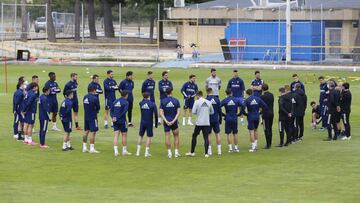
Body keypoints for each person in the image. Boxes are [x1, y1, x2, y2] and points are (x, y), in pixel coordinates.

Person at [186, 91, 214, 158]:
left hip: (199, 122)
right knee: (206, 137)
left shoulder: (196, 102)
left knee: (194, 136)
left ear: (198, 96)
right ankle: (206, 153)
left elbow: (193, 111)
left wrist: (199, 113)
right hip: (206, 122)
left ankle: (192, 152)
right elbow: (212, 112)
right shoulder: (208, 102)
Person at [220, 89, 245, 153]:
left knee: (228, 133)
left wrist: (223, 114)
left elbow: (218, 107)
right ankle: (236, 148)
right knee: (235, 133)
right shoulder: (236, 100)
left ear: (226, 94)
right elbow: (243, 106)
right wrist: (240, 113)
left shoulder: (225, 100)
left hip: (228, 117)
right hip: (234, 117)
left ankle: (230, 148)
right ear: (231, 93)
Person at [159, 88, 181, 158]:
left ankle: (169, 153)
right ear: (171, 92)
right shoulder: (176, 100)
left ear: (166, 93)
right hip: (174, 122)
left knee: (167, 137)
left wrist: (166, 121)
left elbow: (161, 113)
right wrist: (174, 121)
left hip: (166, 121)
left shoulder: (163, 101)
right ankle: (176, 153)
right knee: (176, 136)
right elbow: (178, 113)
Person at [136, 92, 158, 157]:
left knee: (140, 136)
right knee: (149, 137)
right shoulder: (152, 104)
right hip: (149, 122)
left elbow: (142, 101)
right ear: (149, 97)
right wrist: (156, 124)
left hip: (142, 122)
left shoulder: (141, 103)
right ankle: (146, 152)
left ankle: (138, 152)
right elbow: (156, 115)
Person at [111, 91, 132, 156]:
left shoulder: (115, 101)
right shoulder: (126, 102)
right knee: (124, 135)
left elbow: (111, 110)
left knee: (116, 135)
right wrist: (118, 117)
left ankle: (116, 151)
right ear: (126, 95)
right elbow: (124, 111)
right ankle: (124, 151)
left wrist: (113, 117)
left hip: (115, 121)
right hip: (122, 121)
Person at [83, 86, 101, 153]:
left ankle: (84, 147)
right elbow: (98, 107)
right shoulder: (95, 98)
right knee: (93, 132)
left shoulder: (85, 97)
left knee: (86, 131)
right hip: (93, 117)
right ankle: (92, 148)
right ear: (93, 90)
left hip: (86, 116)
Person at [206, 88, 222, 155]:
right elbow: (219, 110)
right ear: (212, 92)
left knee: (209, 134)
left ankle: (209, 151)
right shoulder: (217, 99)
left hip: (208, 120)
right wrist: (220, 119)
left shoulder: (206, 100)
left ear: (207, 92)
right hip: (216, 119)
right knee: (217, 134)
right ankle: (219, 150)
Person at [260, 83, 274, 149]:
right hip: (271, 113)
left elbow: (261, 106)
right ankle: (270, 143)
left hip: (265, 114)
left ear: (262, 89)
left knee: (266, 129)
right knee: (270, 128)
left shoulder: (262, 97)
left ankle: (268, 144)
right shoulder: (271, 95)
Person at [13, 77, 25, 141]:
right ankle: (15, 134)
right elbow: (16, 102)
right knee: (16, 121)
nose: (24, 86)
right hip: (18, 110)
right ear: (21, 85)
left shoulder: (21, 92)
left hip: (20, 109)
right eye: (24, 85)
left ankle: (20, 133)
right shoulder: (19, 92)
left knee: (21, 121)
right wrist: (15, 110)